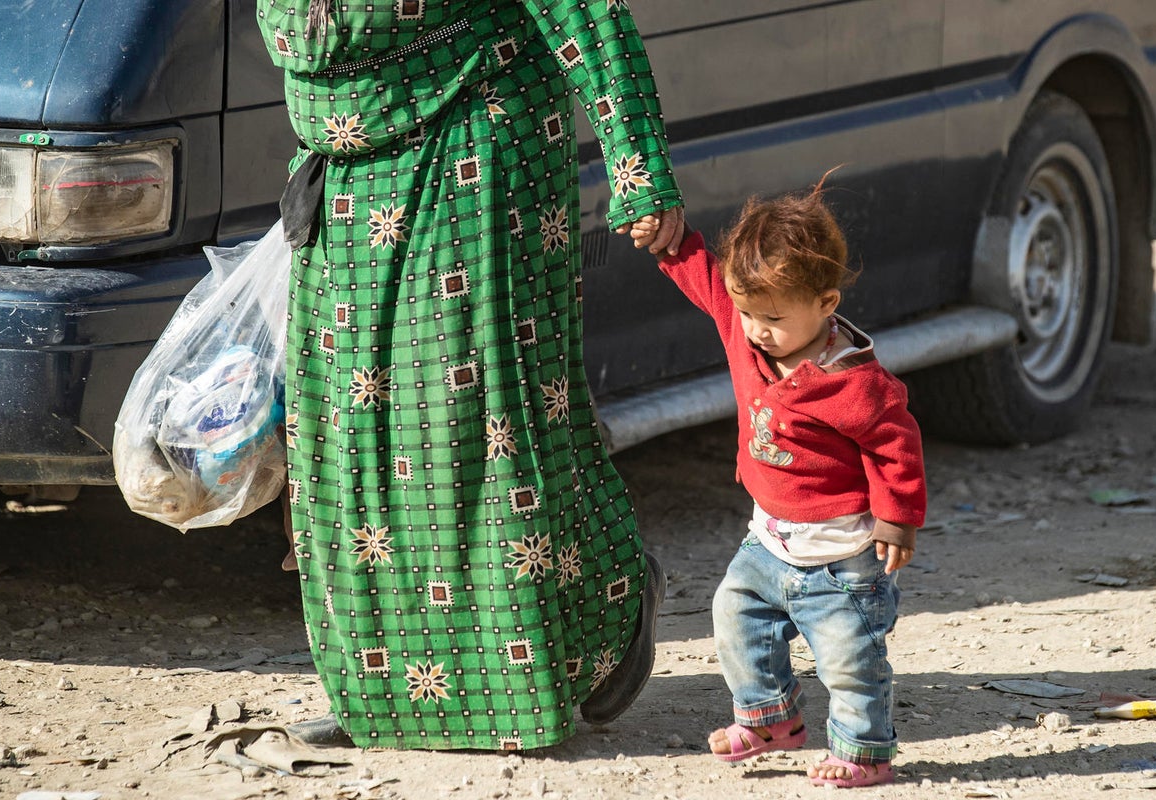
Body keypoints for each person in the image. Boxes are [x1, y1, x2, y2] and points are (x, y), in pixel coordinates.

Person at [254, 0, 686, 751]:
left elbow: (583, 9)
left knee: (467, 423)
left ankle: (592, 624)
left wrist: (637, 169)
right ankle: (385, 699)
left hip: (471, 142)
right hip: (344, 167)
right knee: (348, 437)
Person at [629, 183, 925, 787]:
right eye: (747, 314)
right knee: (736, 616)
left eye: (772, 319)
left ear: (826, 302)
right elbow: (710, 282)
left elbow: (897, 443)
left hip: (842, 556)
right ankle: (769, 718)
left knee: (850, 661)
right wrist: (670, 241)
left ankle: (864, 752)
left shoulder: (854, 383)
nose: (755, 330)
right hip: (767, 540)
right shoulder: (745, 327)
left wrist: (898, 516)